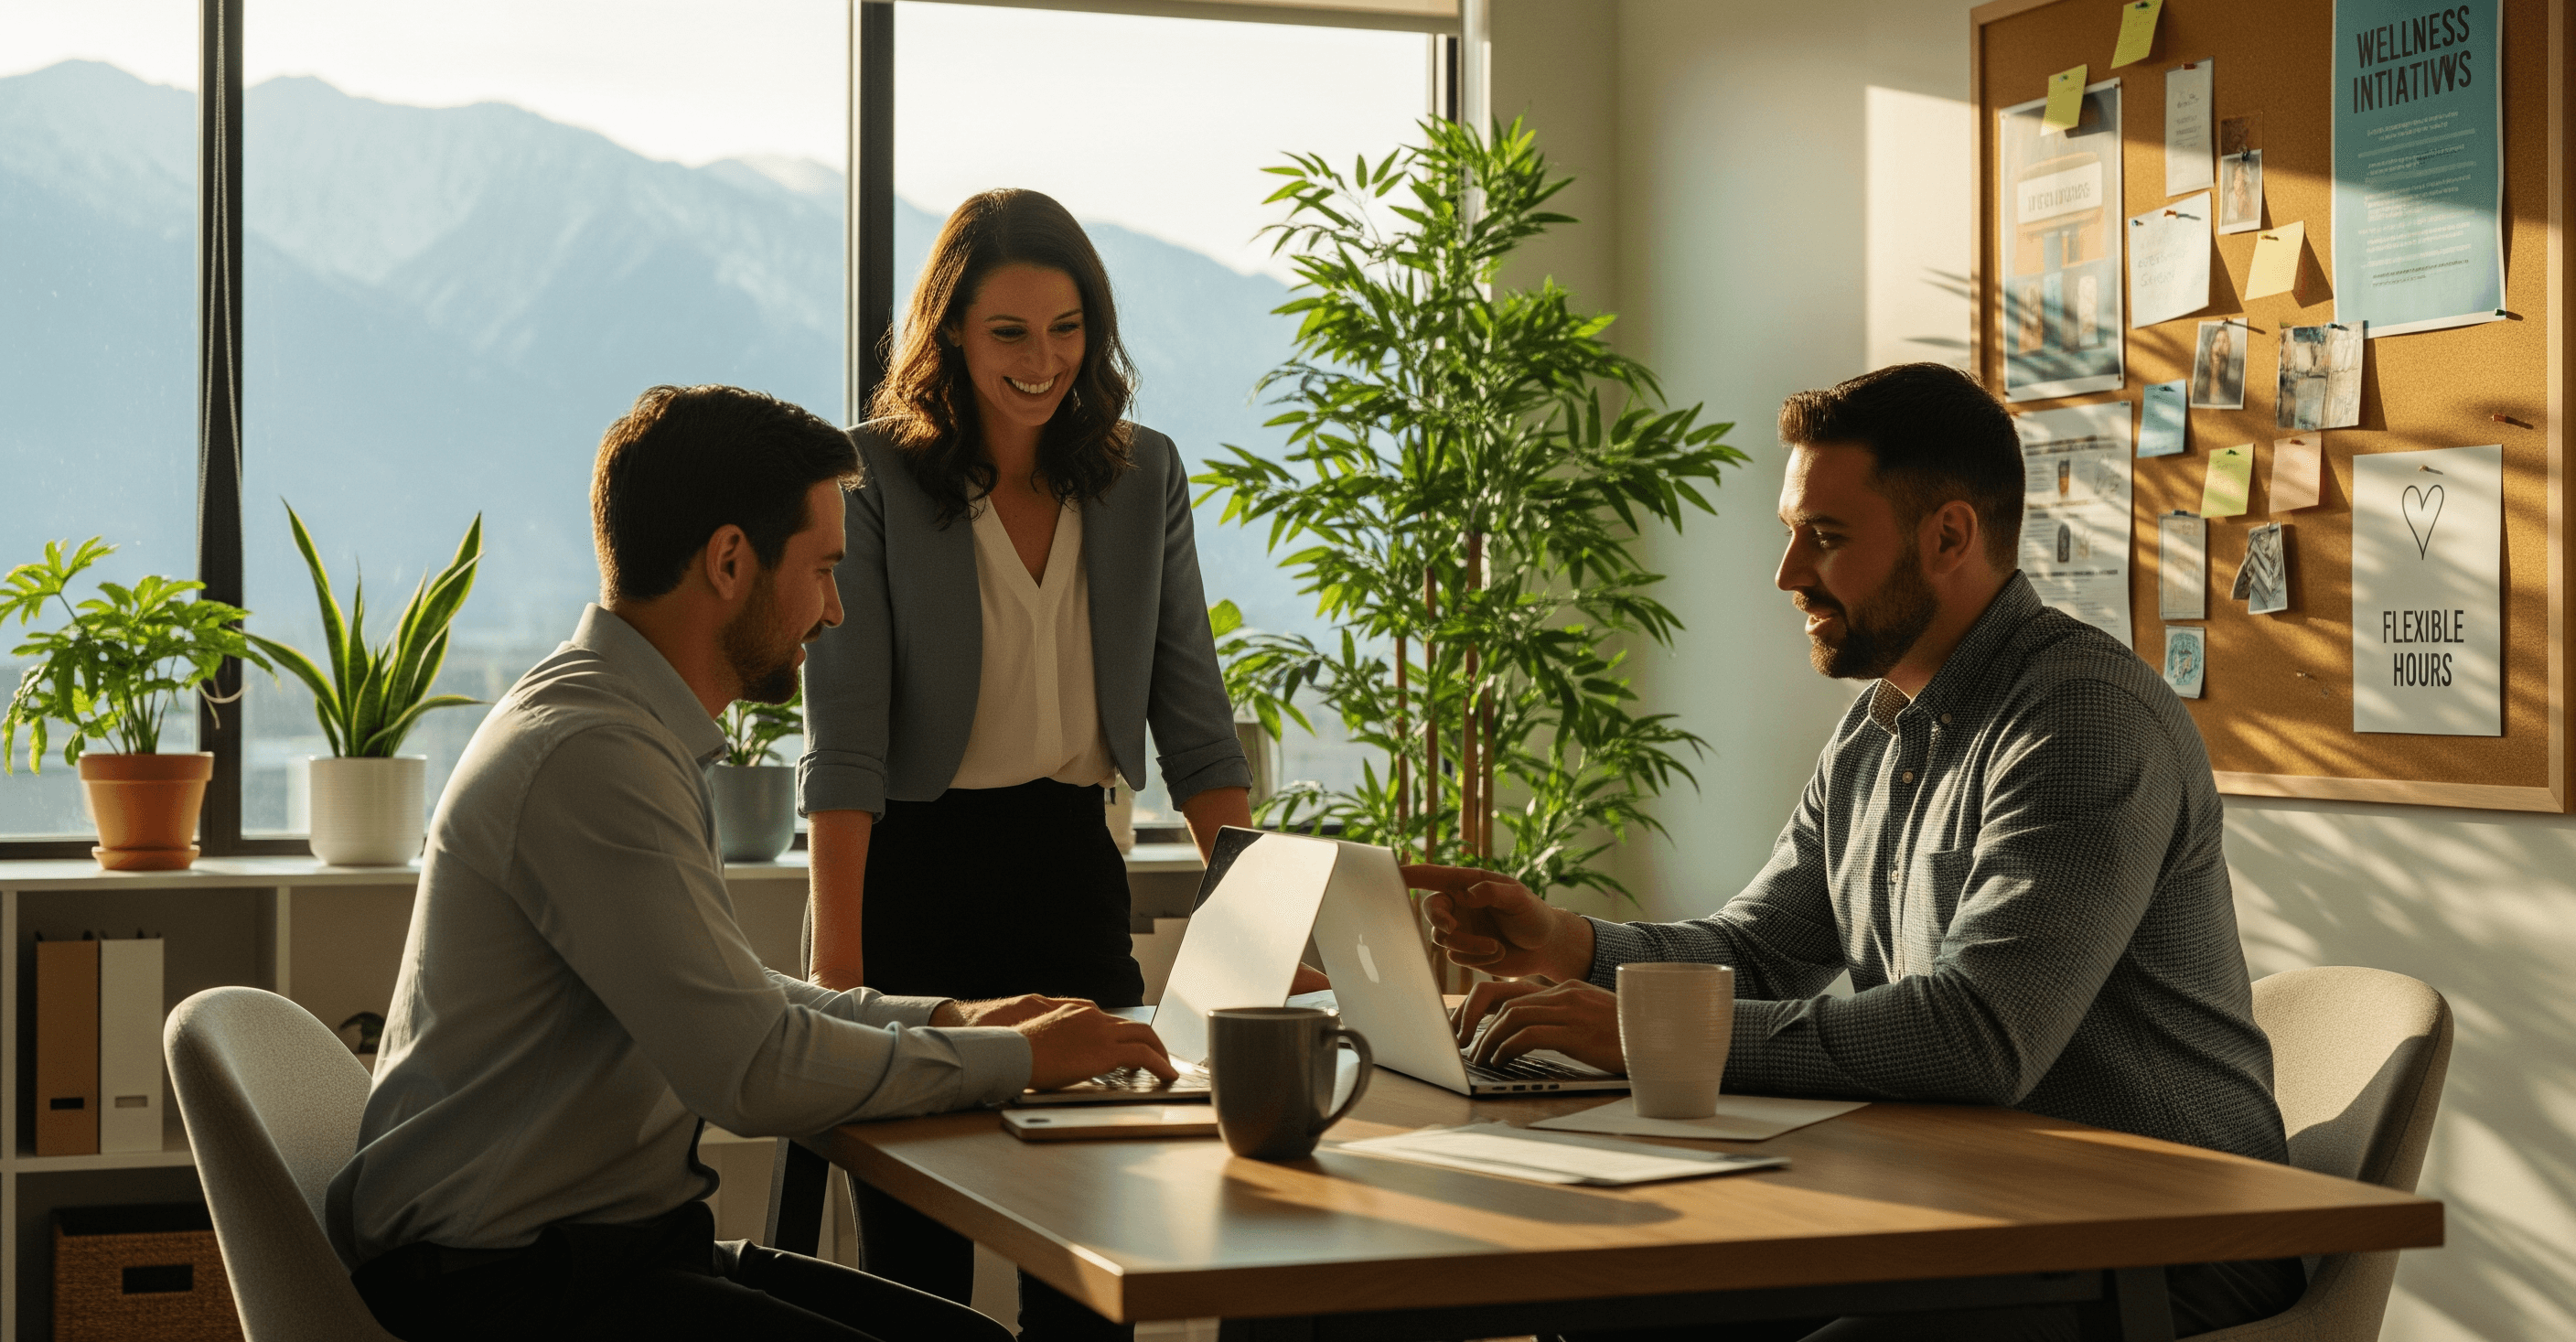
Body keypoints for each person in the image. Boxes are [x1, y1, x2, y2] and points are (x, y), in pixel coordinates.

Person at [1408, 364, 2304, 1341]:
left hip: (2154, 1245)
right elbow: (1758, 952)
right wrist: (1568, 944)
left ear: (1948, 536)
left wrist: (1640, 1034)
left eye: (1824, 539)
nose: (1787, 573)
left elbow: (1977, 1038)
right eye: (1791, 533)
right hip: (1975, 1207)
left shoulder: (2081, 719)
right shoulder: (1876, 727)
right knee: (1618, 1311)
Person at [327, 384, 1175, 1342]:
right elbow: (751, 1068)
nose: (836, 611)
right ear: (730, 561)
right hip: (510, 1289)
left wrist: (954, 1015)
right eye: (821, 570)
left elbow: (733, 1002)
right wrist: (1014, 1057)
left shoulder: (619, 724)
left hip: (595, 1254)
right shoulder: (592, 755)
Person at [795, 188, 1276, 1341]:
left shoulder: (1142, 474)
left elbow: (1196, 725)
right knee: (919, 1285)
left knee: (1093, 1269)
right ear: (950, 331)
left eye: (1065, 329)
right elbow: (846, 745)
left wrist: (1262, 934)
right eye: (1008, 331)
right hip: (911, 885)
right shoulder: (869, 479)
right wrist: (843, 986)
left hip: (1071, 883)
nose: (1041, 359)